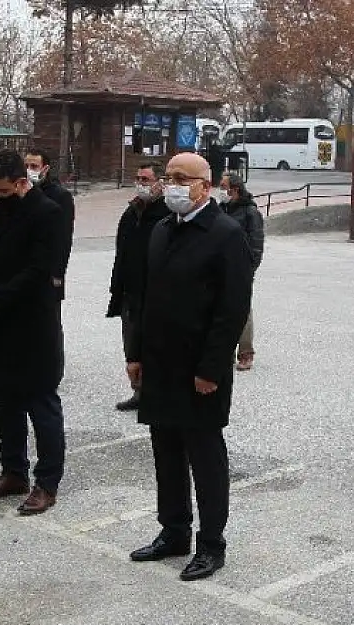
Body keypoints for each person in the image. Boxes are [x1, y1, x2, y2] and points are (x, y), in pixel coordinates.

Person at [125, 153, 253, 582]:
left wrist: (212, 369)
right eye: (168, 177)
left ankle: (212, 543)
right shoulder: (162, 229)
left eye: (182, 178)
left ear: (206, 184)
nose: (173, 185)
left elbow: (231, 309)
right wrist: (136, 354)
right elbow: (146, 299)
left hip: (199, 369)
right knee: (166, 453)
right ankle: (173, 530)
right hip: (160, 364)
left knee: (205, 457)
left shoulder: (225, 234)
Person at [0, 149, 67, 516]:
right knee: (5, 403)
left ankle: (47, 482)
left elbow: (38, 274)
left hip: (34, 326)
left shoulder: (48, 214)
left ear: (23, 182)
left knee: (41, 405)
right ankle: (13, 471)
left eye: (3, 191)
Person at [107, 162, 168, 412]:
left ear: (159, 183)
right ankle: (139, 391)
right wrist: (117, 288)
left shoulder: (166, 215)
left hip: (154, 293)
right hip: (130, 292)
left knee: (155, 346)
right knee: (131, 343)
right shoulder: (131, 212)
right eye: (138, 178)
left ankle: (157, 394)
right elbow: (121, 252)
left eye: (145, 179)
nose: (140, 183)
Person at [219, 173, 264, 371]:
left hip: (241, 268)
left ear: (234, 189)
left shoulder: (250, 212)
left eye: (223, 186)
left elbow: (256, 243)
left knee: (242, 309)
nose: (220, 191)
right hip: (219, 267)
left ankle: (246, 353)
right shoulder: (221, 209)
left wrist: (249, 268)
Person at [24, 149, 75, 300]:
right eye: (26, 166)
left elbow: (64, 238)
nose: (28, 170)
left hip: (48, 270)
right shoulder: (20, 192)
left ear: (45, 169)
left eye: (34, 166)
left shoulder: (60, 196)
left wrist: (58, 273)